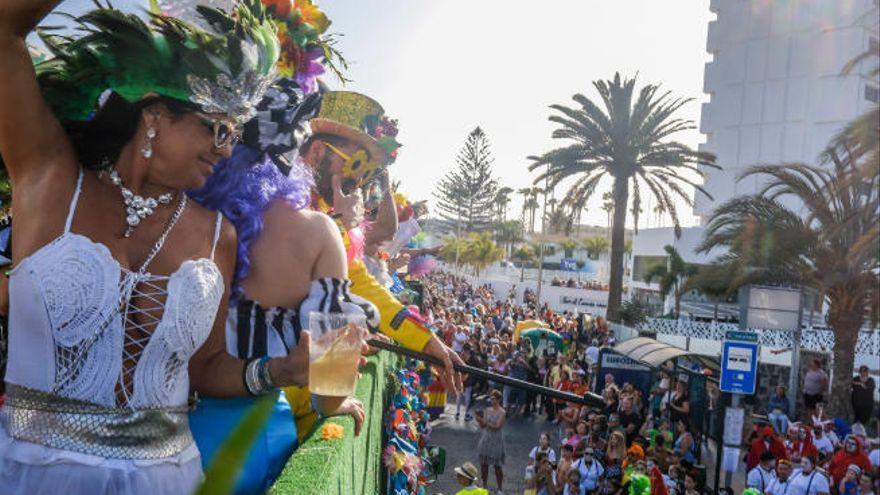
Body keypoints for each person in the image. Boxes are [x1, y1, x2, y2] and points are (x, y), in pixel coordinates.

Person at [0, 2, 280, 493]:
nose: (227, 149)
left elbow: (207, 368)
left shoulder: (220, 236)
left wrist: (283, 369)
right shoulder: (50, 179)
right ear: (155, 114)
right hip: (33, 475)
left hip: (165, 478)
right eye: (217, 129)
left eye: (233, 135)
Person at [476, 389, 506, 493]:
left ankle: (500, 488)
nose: (491, 400)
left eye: (493, 398)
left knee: (497, 467)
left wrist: (484, 422)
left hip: (496, 441)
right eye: (491, 398)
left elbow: (497, 426)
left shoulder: (502, 412)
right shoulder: (487, 410)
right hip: (486, 439)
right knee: (484, 465)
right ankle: (484, 486)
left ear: (498, 400)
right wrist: (479, 421)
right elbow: (483, 426)